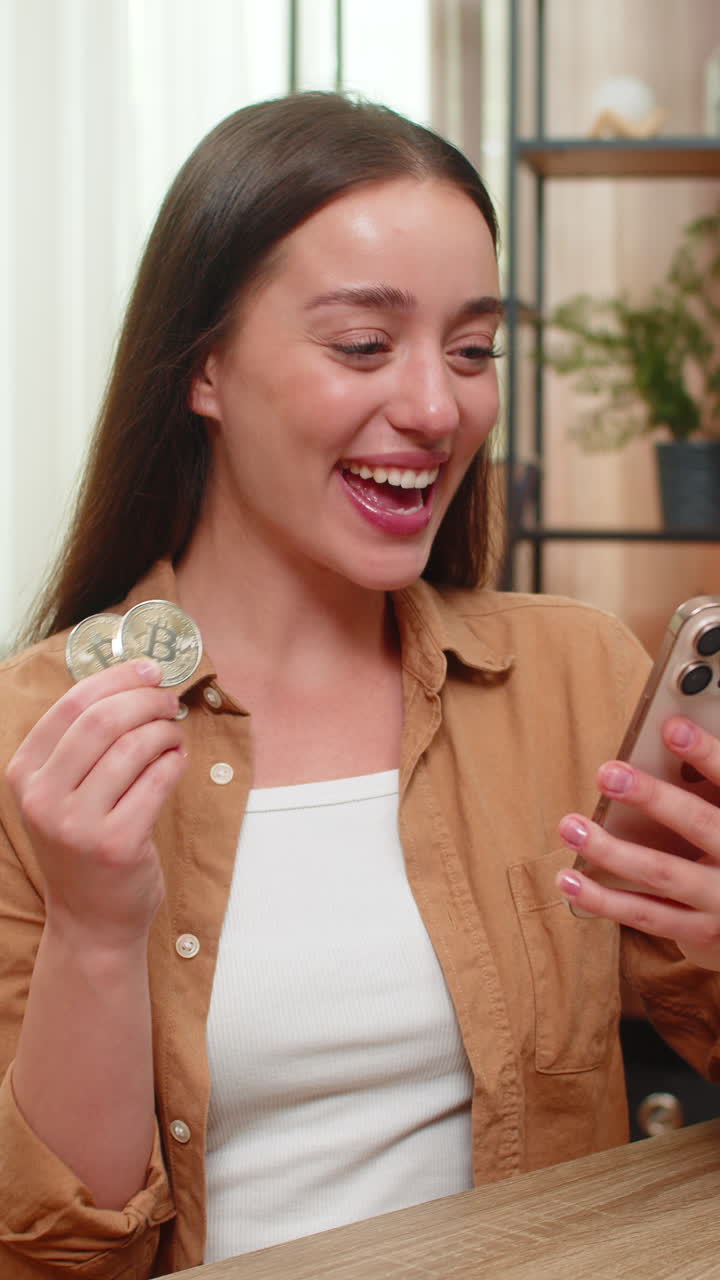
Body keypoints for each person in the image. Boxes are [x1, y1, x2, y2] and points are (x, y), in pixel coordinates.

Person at [1, 91, 720, 1280]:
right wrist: (90, 927)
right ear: (205, 369)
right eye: (362, 345)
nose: (438, 408)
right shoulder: (37, 739)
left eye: (475, 349)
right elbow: (57, 1258)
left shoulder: (578, 675)